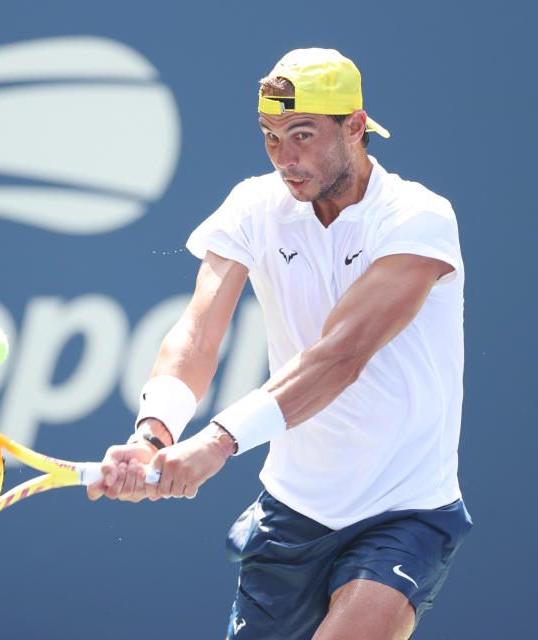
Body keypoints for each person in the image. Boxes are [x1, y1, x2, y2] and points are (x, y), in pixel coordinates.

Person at [87, 48, 472, 640]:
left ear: (355, 127)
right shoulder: (254, 206)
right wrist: (154, 431)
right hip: (292, 510)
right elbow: (198, 331)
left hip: (406, 508)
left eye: (301, 134)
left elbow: (340, 357)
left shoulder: (418, 218)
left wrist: (217, 442)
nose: (284, 158)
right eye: (270, 136)